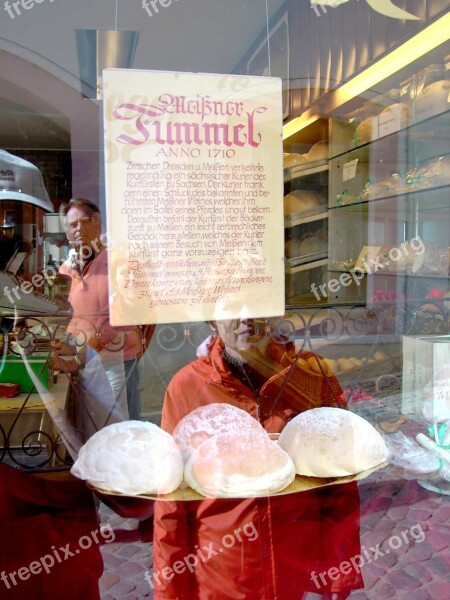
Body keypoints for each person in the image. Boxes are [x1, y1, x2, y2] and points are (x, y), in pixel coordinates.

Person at [152, 318, 364, 599]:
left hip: (292, 571)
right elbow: (170, 501)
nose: (245, 317)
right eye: (231, 306)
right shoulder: (187, 388)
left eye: (256, 303)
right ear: (213, 319)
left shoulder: (309, 377)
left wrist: (340, 570)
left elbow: (340, 482)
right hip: (221, 575)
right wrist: (170, 590)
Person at [52, 198, 153, 437]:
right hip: (80, 360)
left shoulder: (119, 261)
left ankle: (130, 472)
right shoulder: (65, 269)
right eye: (71, 225)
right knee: (94, 428)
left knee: (123, 428)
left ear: (97, 223)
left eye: (81, 222)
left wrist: (136, 342)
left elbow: (144, 307)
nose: (76, 229)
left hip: (115, 360)